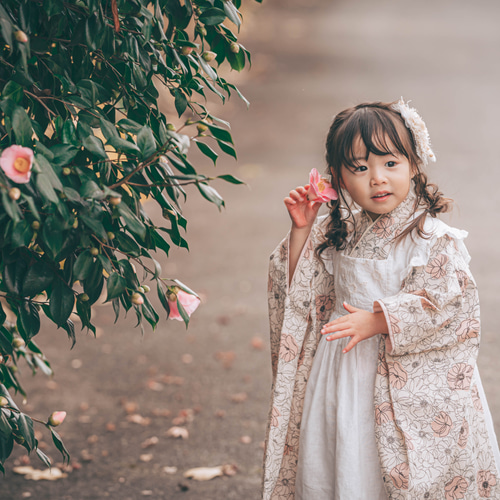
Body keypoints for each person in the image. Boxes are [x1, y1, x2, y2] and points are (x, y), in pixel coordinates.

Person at [262, 99, 500, 499]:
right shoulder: (336, 232)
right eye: (359, 167)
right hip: (342, 371)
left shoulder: (432, 238)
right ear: (336, 177)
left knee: (402, 470)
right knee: (346, 462)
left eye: (390, 163)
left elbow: (449, 305)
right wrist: (301, 231)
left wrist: (380, 320)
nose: (377, 179)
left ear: (414, 165)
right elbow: (302, 294)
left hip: (409, 379)